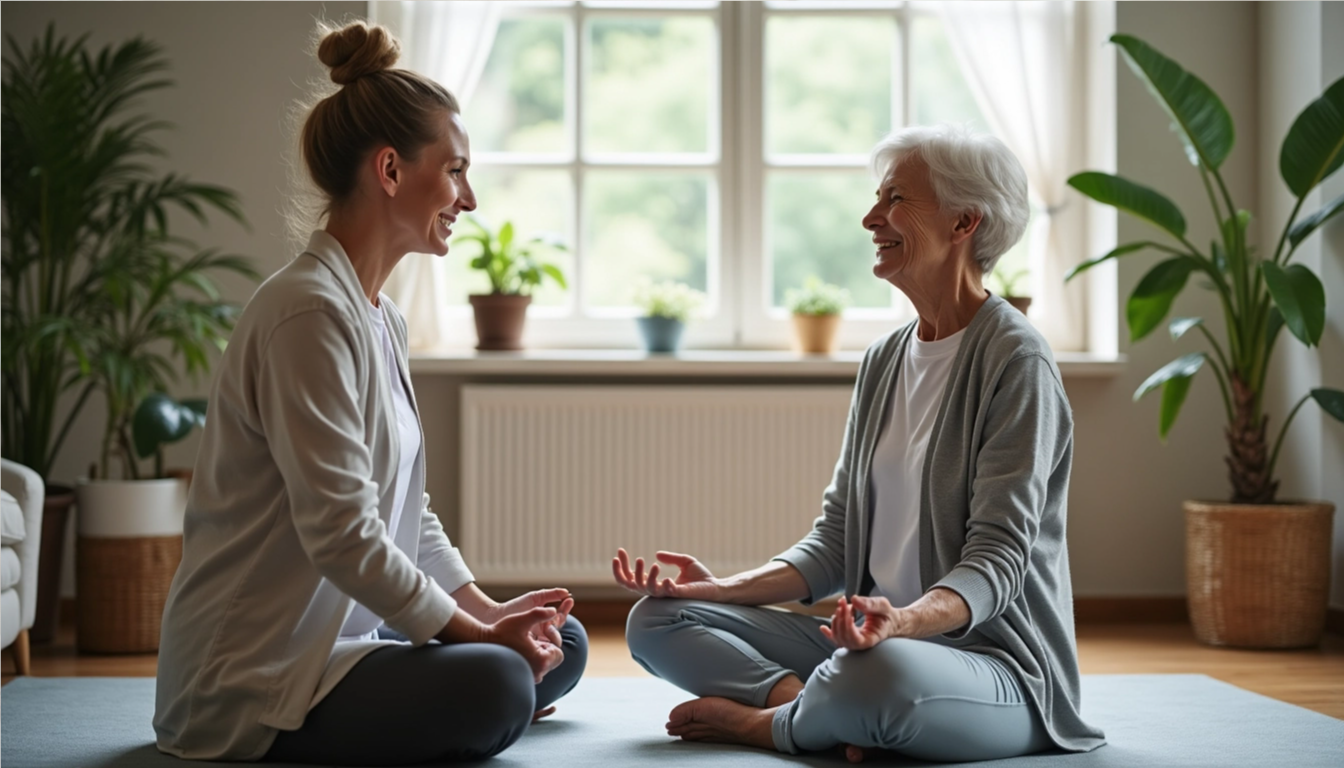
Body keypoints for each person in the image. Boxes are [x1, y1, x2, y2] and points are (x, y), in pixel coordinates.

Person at [154, 21, 587, 764]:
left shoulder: (375, 314)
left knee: (562, 642)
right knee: (500, 681)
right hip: (256, 675)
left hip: (343, 632)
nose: (469, 197)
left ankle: (475, 665)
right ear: (390, 170)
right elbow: (344, 533)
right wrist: (481, 639)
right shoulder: (308, 314)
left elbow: (405, 514)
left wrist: (487, 609)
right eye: (454, 171)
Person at [615, 124, 1105, 763]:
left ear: (964, 223)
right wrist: (719, 590)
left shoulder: (1017, 360)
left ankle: (764, 725)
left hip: (993, 664)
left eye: (896, 199)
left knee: (879, 678)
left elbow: (996, 565)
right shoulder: (884, 360)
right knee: (656, 620)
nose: (872, 216)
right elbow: (837, 542)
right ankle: (808, 705)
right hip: (870, 644)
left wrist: (901, 623)